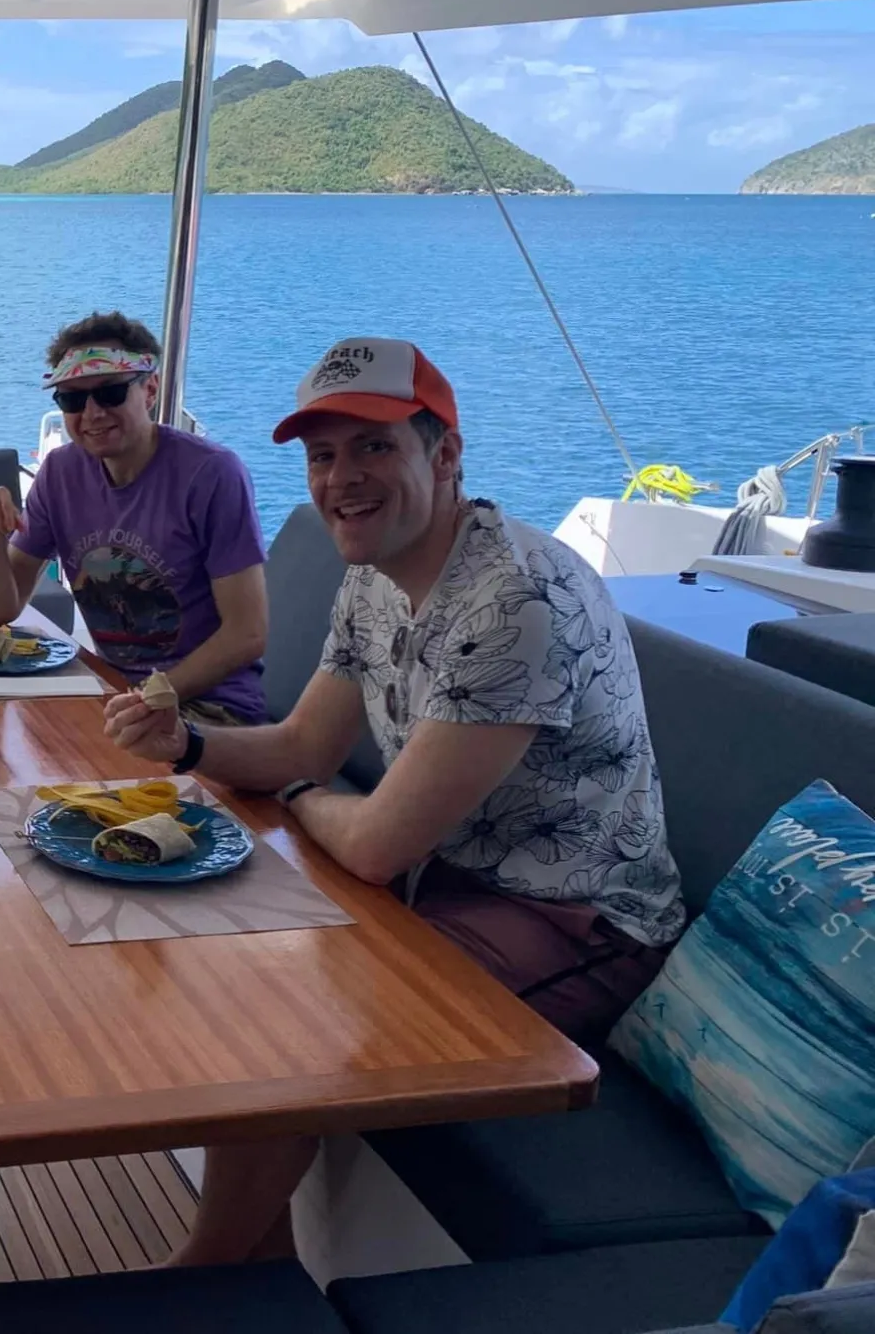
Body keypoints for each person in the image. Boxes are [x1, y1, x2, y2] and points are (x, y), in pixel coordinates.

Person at [105, 337, 686, 1266]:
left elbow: (369, 842)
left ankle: (199, 1279)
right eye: (323, 456)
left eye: (375, 447)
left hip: (578, 920)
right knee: (226, 960)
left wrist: (298, 797)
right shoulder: (372, 576)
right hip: (440, 878)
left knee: (293, 1024)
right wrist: (191, 744)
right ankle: (262, 1276)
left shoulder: (517, 603)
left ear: (445, 455)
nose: (343, 479)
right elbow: (303, 744)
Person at [0, 311, 269, 724]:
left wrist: (148, 698)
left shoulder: (211, 473)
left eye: (110, 393)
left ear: (150, 389)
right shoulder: (59, 473)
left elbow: (247, 633)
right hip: (115, 692)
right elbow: (2, 609)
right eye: (72, 399)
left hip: (208, 706)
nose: (92, 413)